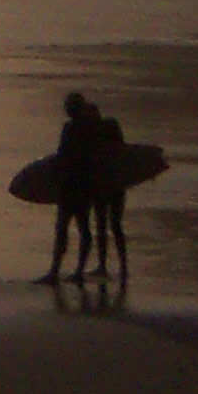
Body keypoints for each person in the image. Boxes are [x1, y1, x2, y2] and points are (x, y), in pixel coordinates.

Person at [46, 90, 129, 282]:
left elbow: (65, 157)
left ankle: (75, 270)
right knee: (96, 226)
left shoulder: (92, 128)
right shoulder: (99, 128)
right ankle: (97, 267)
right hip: (94, 185)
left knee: (102, 226)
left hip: (89, 186)